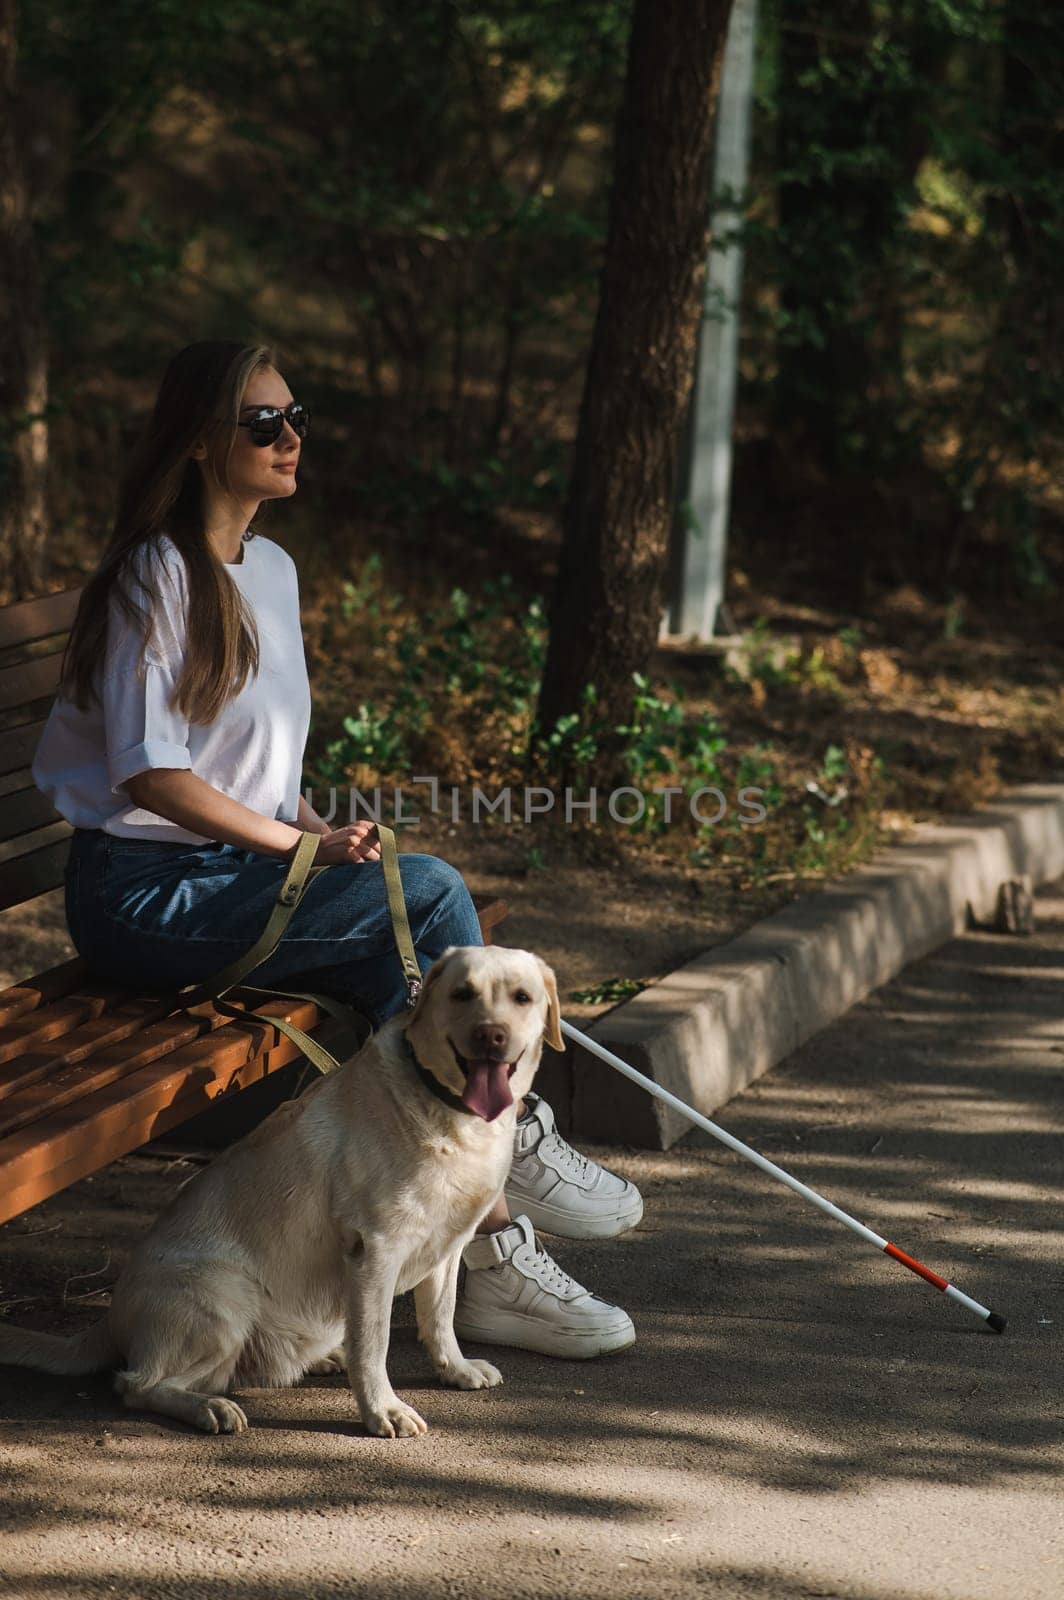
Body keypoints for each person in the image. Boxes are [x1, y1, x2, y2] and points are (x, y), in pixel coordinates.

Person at [33, 340, 642, 1360]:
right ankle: (504, 1165)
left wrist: (314, 832)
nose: (290, 438)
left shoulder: (269, 568)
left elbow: (250, 769)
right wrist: (294, 851)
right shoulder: (155, 575)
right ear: (197, 443)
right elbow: (152, 777)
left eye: (296, 415)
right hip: (144, 897)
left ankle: (473, 1225)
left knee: (398, 959)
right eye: (262, 422)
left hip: (235, 876)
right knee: (431, 896)